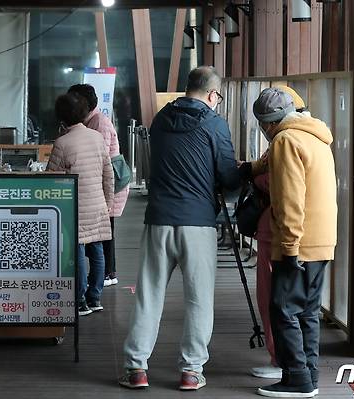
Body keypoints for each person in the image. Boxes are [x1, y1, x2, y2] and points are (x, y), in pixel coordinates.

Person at [120, 66, 242, 391]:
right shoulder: (214, 124)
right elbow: (229, 178)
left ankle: (136, 369)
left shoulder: (160, 119)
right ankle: (190, 371)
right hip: (198, 223)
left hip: (158, 219)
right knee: (199, 300)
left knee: (149, 296)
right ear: (214, 95)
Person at [252, 88, 337, 398]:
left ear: (267, 124)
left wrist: (288, 248)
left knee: (283, 308)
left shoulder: (285, 141)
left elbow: (289, 201)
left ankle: (297, 379)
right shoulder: (316, 135)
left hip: (298, 243)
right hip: (322, 239)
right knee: (308, 311)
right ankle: (309, 375)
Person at [246, 85, 307, 381]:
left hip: (277, 231)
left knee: (273, 298)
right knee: (294, 301)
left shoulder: (283, 140)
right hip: (298, 232)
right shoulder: (311, 133)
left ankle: (280, 359)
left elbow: (279, 184)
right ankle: (292, 360)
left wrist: (255, 178)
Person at [46, 92, 114, 316]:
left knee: (77, 252)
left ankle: (79, 300)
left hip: (74, 206)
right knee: (97, 252)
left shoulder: (62, 143)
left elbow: (51, 178)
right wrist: (108, 202)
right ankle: (95, 297)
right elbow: (108, 173)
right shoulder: (96, 137)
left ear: (61, 118)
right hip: (97, 205)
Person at [68, 84, 129, 288]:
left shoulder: (99, 123)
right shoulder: (90, 121)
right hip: (103, 184)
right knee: (102, 233)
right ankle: (105, 274)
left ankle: (108, 274)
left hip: (109, 184)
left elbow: (97, 158)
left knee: (105, 233)